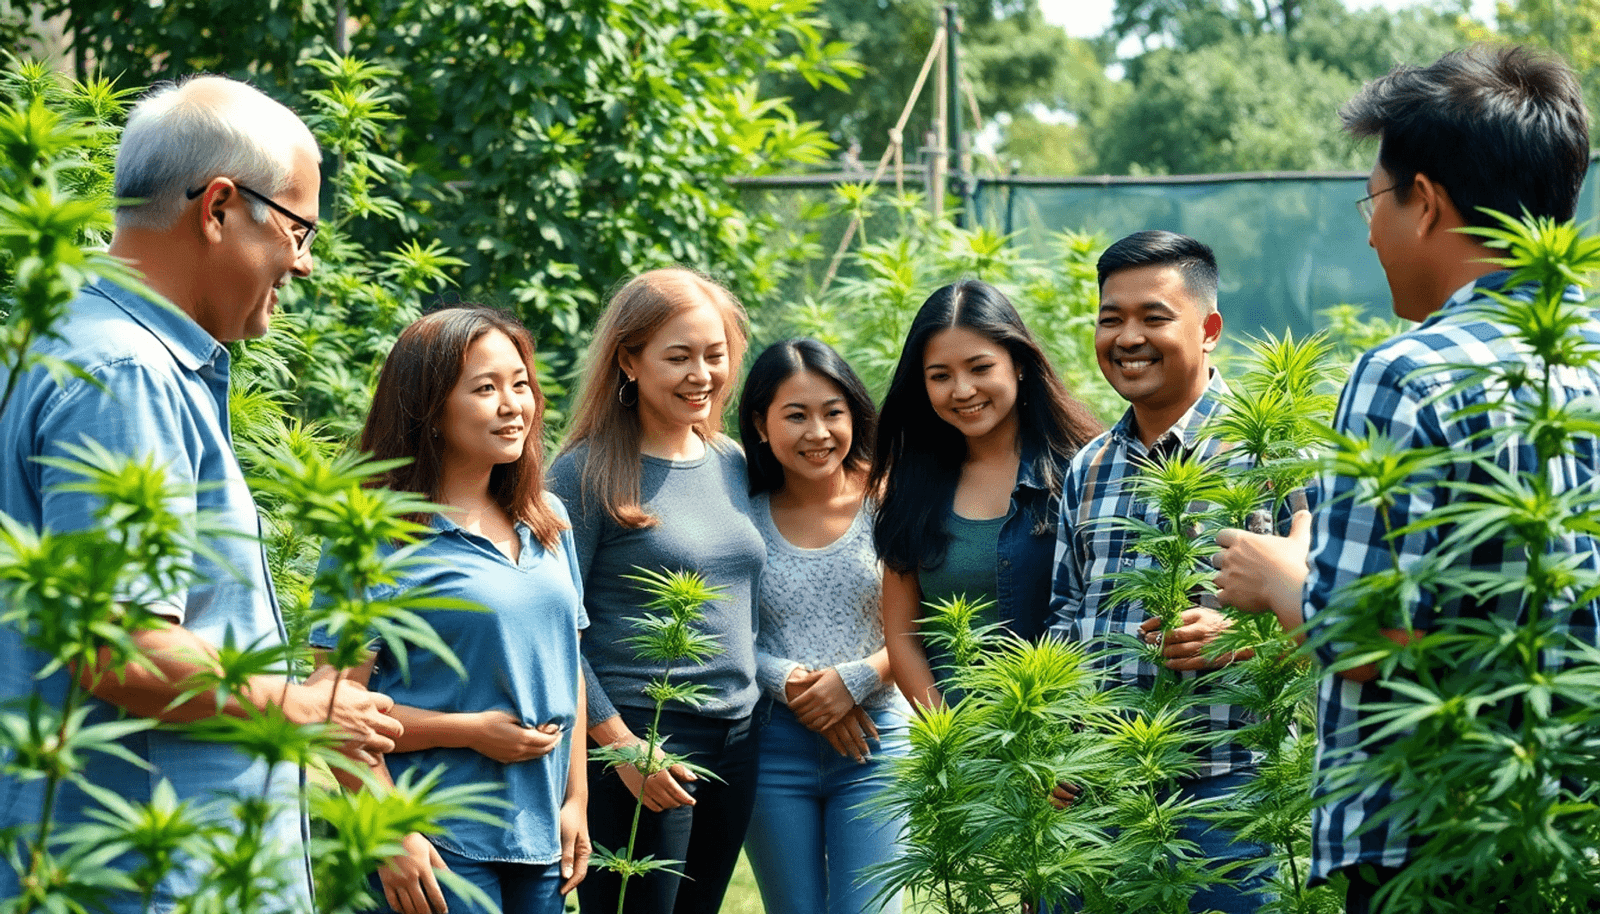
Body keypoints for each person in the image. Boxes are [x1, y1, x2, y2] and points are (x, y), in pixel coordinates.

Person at [0, 76, 401, 911]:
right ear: (218, 207)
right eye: (297, 227)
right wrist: (296, 704)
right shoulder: (128, 377)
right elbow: (119, 645)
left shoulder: (65, 342)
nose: (305, 260)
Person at [1210, 46, 1596, 913]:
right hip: (1574, 822)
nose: (1369, 227)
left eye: (1373, 199)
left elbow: (1370, 640)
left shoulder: (1407, 374)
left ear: (1425, 202)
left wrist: (1283, 582)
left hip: (1433, 836)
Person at [1046, 230, 1312, 913]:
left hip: (1230, 793)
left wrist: (1241, 638)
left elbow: (1338, 614)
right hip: (1101, 787)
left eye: (1153, 317)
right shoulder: (1090, 467)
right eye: (1111, 319)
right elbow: (1067, 619)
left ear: (1209, 328)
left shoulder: (1277, 453)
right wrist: (1062, 750)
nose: (1127, 337)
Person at [312, 307, 590, 914]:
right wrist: (390, 831)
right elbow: (332, 708)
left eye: (521, 384)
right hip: (436, 843)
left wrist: (576, 802)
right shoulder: (374, 535)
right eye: (486, 388)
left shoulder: (548, 519)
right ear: (428, 408)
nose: (513, 404)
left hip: (542, 841)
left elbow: (566, 663)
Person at [546, 268, 764, 914]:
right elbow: (558, 628)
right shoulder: (584, 473)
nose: (702, 373)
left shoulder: (731, 461)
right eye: (679, 356)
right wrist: (618, 745)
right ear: (629, 361)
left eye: (715, 354)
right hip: (642, 738)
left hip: (740, 736)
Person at [869, 279, 1101, 710]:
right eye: (940, 376)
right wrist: (956, 743)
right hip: (958, 757)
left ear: (1018, 364)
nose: (962, 390)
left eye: (980, 368)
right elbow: (903, 638)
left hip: (1066, 748)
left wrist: (1054, 745)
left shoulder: (1082, 472)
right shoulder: (913, 486)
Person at [737, 339, 910, 914]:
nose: (819, 432)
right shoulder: (743, 517)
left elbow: (927, 620)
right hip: (774, 747)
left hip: (879, 739)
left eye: (833, 412)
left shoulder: (891, 501)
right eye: (796, 415)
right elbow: (727, 632)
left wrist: (855, 680)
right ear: (761, 425)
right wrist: (788, 682)